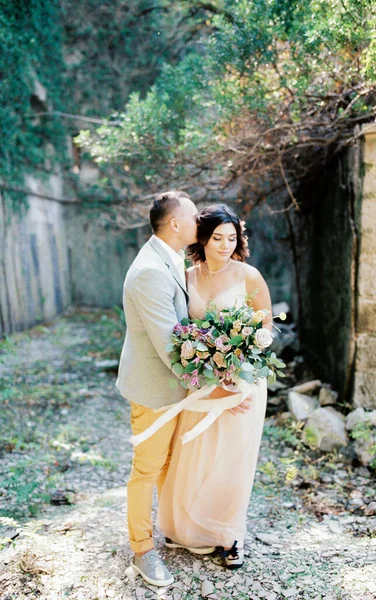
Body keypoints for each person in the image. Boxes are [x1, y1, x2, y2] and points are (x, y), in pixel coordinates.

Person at [157, 203, 272, 569]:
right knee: (195, 454)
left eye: (232, 238)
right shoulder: (186, 276)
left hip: (243, 381)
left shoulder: (249, 275)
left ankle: (228, 537)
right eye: (217, 238)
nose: (225, 245)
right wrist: (205, 365)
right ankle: (186, 530)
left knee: (233, 458)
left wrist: (238, 374)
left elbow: (265, 332)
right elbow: (180, 332)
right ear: (202, 238)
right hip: (201, 382)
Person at [116, 190, 200, 587]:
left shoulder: (171, 257)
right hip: (154, 388)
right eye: (194, 216)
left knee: (168, 464)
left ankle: (171, 531)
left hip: (172, 386)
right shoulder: (150, 270)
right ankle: (142, 551)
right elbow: (171, 344)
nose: (199, 222)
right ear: (176, 224)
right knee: (146, 470)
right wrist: (217, 375)